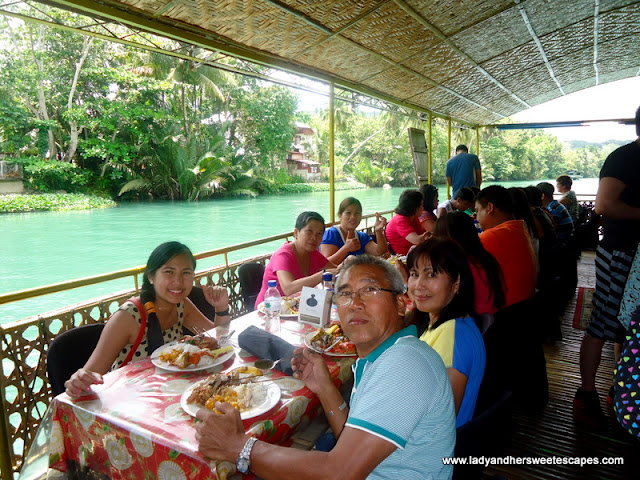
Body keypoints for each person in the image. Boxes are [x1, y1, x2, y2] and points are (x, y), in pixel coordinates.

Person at [195, 254, 456, 479]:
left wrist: (239, 446)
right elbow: (351, 442)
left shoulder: (405, 365)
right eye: (345, 294)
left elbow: (339, 472)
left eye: (369, 290)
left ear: (401, 304)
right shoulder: (384, 356)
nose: (355, 303)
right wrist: (325, 388)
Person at [64, 241, 231, 397]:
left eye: (186, 273)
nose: (178, 281)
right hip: (128, 398)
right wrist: (79, 380)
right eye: (168, 272)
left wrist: (221, 308)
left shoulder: (182, 305)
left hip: (166, 391)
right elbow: (91, 373)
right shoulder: (128, 317)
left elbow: (218, 340)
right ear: (151, 276)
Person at [574, 105, 640, 428]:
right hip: (618, 252)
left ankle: (621, 388)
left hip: (633, 255)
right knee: (603, 321)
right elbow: (603, 204)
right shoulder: (625, 158)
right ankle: (586, 395)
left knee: (627, 324)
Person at [406, 238, 486, 428]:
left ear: (456, 282)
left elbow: (439, 424)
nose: (418, 285)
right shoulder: (453, 323)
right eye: (414, 274)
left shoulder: (452, 338)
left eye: (432, 275)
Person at [434, 211, 505, 333]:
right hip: (493, 325)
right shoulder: (486, 259)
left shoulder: (459, 266)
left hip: (473, 328)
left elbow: (440, 305)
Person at [255, 211, 338, 307]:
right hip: (271, 310)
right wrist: (323, 275)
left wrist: (345, 265)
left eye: (319, 234)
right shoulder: (283, 255)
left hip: (297, 307)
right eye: (309, 232)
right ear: (296, 233)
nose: (314, 238)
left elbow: (336, 271)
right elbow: (288, 289)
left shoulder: (313, 253)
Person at [475, 185, 537, 307]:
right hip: (524, 306)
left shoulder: (492, 236)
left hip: (503, 314)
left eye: (477, 211)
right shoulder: (519, 229)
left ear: (490, 208)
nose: (476, 218)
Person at [320, 197, 388, 265]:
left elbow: (380, 252)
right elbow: (325, 264)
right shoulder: (332, 234)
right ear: (340, 215)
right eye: (348, 213)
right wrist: (346, 248)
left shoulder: (361, 236)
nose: (353, 217)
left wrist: (378, 231)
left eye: (357, 213)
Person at [384, 189, 429, 256]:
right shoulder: (400, 220)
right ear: (414, 208)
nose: (423, 208)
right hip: (402, 258)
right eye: (421, 205)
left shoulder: (413, 218)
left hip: (415, 254)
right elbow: (417, 240)